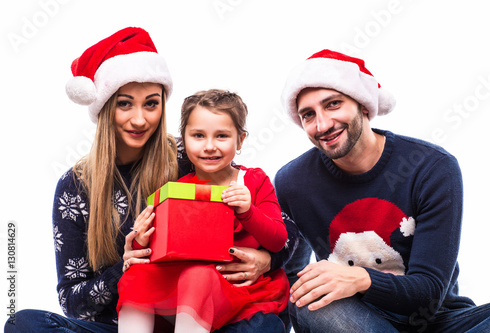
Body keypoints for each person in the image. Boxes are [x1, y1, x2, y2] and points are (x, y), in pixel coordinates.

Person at [4, 27, 292, 333]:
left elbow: (284, 229)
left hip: (203, 315)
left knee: (260, 326)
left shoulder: (190, 153)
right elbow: (73, 302)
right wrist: (125, 266)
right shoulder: (75, 187)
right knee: (25, 324)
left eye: (151, 103)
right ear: (104, 108)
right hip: (129, 321)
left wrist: (264, 260)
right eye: (125, 103)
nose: (140, 119)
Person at [274, 49, 490, 332]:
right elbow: (290, 278)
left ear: (363, 106)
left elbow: (429, 290)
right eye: (308, 115)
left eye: (333, 104)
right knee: (310, 302)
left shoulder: (431, 167)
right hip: (353, 319)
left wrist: (359, 278)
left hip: (441, 320)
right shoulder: (293, 182)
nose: (322, 124)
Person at [116, 89, 289, 333]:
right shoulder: (178, 190)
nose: (209, 146)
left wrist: (248, 211)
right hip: (190, 293)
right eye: (198, 135)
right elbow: (163, 251)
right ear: (184, 140)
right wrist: (142, 241)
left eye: (221, 136)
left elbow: (278, 240)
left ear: (240, 141)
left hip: (240, 289)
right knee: (136, 276)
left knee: (198, 275)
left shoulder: (254, 180)